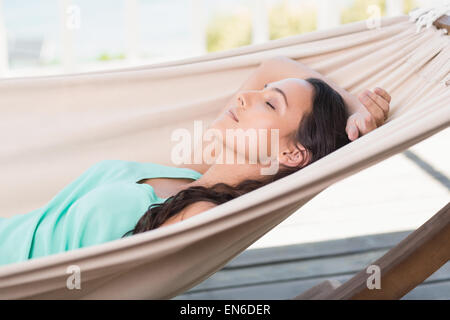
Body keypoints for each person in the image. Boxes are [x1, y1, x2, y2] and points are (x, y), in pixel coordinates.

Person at [0, 56, 391, 266]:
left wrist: (349, 128)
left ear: (292, 153)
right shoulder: (194, 174)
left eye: (269, 103)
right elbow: (273, 65)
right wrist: (352, 103)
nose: (244, 97)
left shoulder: (200, 215)